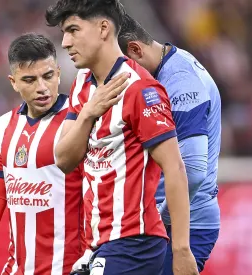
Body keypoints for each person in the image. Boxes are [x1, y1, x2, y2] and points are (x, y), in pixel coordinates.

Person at [45, 1, 198, 274]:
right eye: (63, 33)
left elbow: (175, 167)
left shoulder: (141, 89)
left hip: (134, 241)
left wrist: (182, 251)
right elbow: (63, 158)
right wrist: (89, 112)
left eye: (73, 30)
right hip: (97, 245)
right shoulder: (82, 83)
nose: (65, 43)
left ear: (103, 28)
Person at [0, 33, 86, 275]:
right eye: (29, 80)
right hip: (17, 268)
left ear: (59, 72)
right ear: (13, 82)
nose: (42, 88)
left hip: (69, 267)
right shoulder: (3, 126)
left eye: (48, 76)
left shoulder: (80, 121)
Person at [117, 14, 221, 274]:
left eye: (121, 69)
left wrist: (160, 220)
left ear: (135, 50)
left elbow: (193, 172)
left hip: (182, 224)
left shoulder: (181, 83)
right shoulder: (172, 62)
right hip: (169, 221)